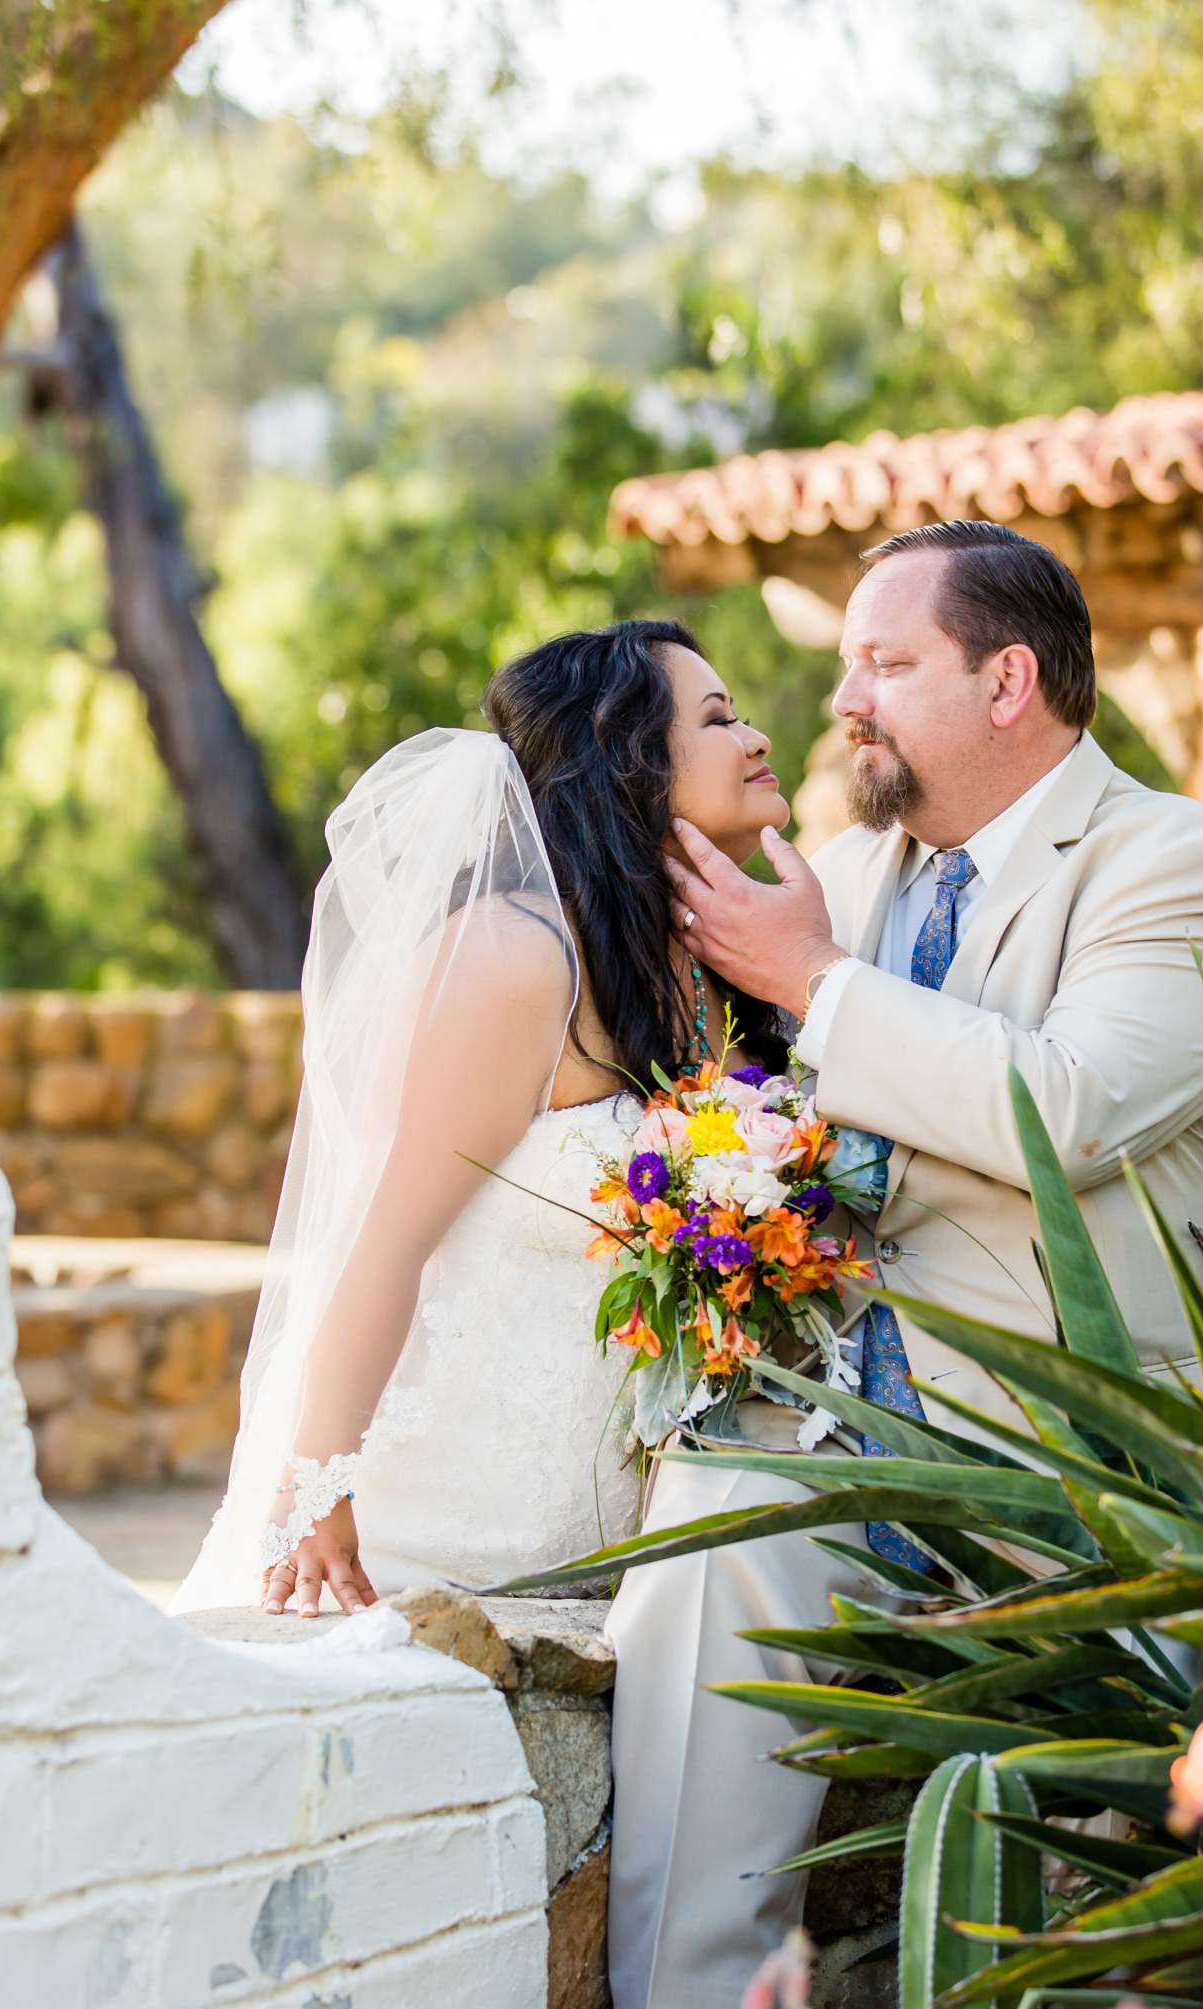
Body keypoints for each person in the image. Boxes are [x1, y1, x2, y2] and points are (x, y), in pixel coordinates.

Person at [484, 521, 1203, 2009]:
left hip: (1093, 1479)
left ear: (1008, 682)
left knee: (1119, 1876)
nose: (837, 701)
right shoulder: (836, 867)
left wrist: (818, 987)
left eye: (880, 663)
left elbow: (1067, 1107)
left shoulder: (1177, 863)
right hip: (847, 1442)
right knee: (709, 1539)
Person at [173, 620, 791, 1617]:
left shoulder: (714, 966)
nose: (756, 738)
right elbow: (384, 1239)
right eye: (718, 719)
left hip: (644, 1529)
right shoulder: (512, 954)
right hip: (454, 1526)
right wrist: (317, 1493)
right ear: (623, 757)